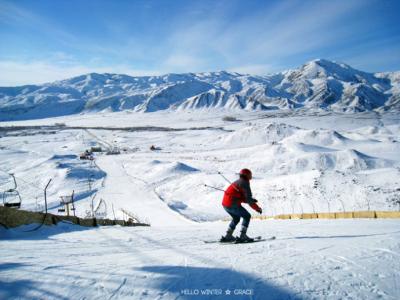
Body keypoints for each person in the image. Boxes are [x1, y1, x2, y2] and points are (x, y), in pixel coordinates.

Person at [221, 168, 262, 242]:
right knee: (247, 216)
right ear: (247, 175)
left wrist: (251, 200)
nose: (251, 176)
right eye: (250, 175)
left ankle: (228, 235)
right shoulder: (245, 183)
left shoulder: (238, 182)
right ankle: (243, 235)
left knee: (236, 218)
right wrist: (257, 208)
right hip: (232, 204)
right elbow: (248, 200)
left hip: (225, 204)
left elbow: (241, 197)